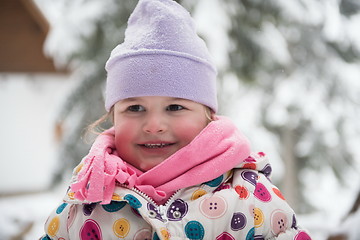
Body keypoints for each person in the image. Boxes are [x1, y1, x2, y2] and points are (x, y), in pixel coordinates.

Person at [41, 0, 312, 239]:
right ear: (113, 117)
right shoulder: (88, 197)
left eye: (174, 107)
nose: (154, 125)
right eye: (135, 108)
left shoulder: (247, 195)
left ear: (208, 117)